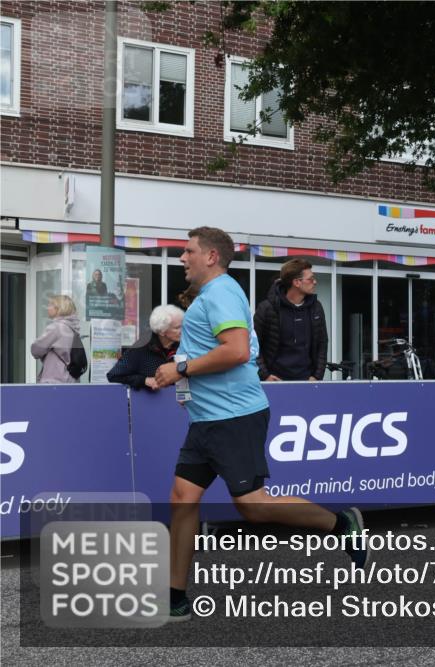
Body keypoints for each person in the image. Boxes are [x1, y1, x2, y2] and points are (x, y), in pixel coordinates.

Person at [154, 227, 366, 622]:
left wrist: (180, 367)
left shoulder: (221, 293)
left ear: (211, 256)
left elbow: (236, 351)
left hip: (234, 416)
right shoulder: (212, 295)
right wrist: (170, 372)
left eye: (188, 252)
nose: (182, 259)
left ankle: (341, 523)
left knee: (252, 506)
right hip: (207, 418)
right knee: (183, 499)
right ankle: (174, 595)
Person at [253, 258, 329, 381]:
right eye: (310, 279)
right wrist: (264, 375)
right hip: (275, 382)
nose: (315, 282)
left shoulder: (316, 308)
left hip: (307, 382)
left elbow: (322, 343)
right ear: (296, 282)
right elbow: (253, 345)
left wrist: (316, 376)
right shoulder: (267, 308)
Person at [106, 305, 184, 390]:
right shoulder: (141, 348)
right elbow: (113, 375)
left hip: (181, 401)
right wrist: (144, 380)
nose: (183, 330)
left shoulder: (185, 347)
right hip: (151, 402)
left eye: (183, 325)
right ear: (162, 331)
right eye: (177, 328)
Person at [30, 294, 82, 384]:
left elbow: (36, 350)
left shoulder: (57, 328)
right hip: (71, 380)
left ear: (59, 308)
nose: (48, 308)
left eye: (50, 305)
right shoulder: (73, 328)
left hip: (54, 380)